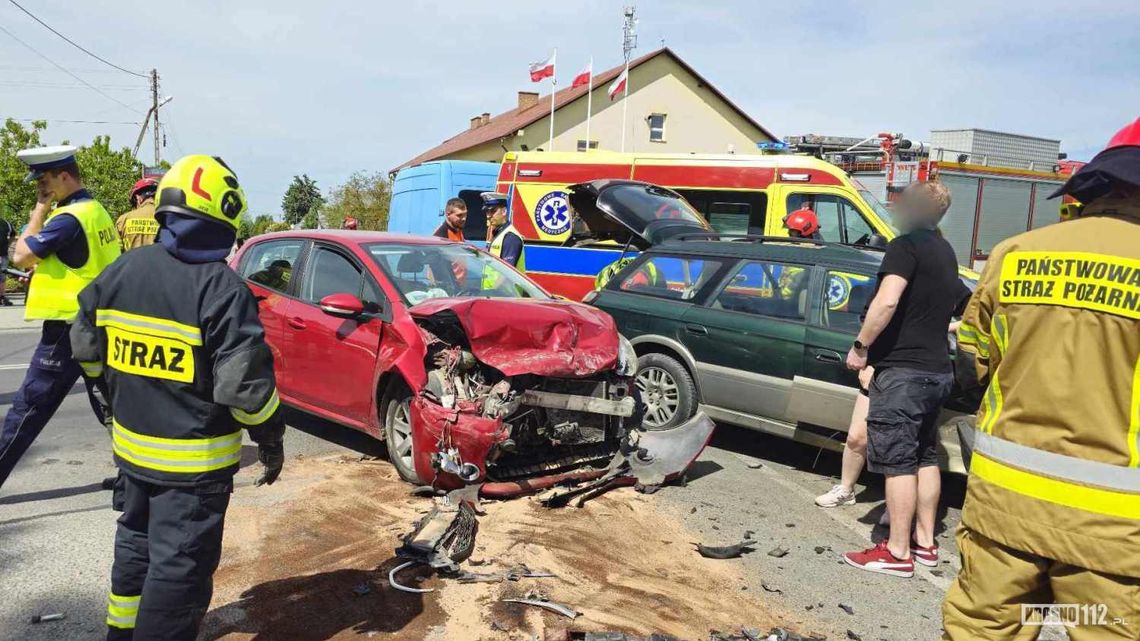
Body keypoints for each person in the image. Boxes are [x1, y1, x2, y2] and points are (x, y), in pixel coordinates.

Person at [70, 154, 285, 641]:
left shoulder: (124, 270)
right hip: (193, 472)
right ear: (226, 214)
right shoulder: (222, 289)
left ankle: (120, 634)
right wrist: (271, 439)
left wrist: (108, 399)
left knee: (135, 547)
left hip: (131, 453)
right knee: (179, 573)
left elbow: (84, 347)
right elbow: (245, 392)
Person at [942, 117, 1140, 639]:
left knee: (982, 628)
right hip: (1116, 532)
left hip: (1004, 507)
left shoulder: (1016, 253)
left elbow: (970, 364)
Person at [841, 181, 965, 578]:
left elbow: (888, 299)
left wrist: (861, 347)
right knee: (924, 455)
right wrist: (942, 327)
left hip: (904, 374)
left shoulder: (905, 246)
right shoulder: (945, 250)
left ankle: (896, 552)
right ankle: (925, 544)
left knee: (897, 462)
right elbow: (967, 303)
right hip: (937, 372)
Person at [0, 145, 120, 489]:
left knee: (27, 409)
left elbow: (21, 254)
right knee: (110, 407)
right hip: (98, 325)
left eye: (44, 181)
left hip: (67, 331)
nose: (41, 189)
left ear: (64, 176)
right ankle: (133, 481)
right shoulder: (96, 211)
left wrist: (40, 208)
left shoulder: (67, 219)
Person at [484, 192, 525, 270]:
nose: (488, 216)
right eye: (487, 211)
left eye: (492, 211)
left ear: (504, 211)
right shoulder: (499, 233)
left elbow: (507, 273)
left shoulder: (510, 237)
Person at [116, 178, 160, 252]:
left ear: (138, 198)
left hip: (131, 263)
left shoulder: (123, 220)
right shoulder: (167, 218)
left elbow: (116, 251)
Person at [0, 214, 15, 306]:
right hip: (3, 254)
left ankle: (1, 297)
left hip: (3, 254)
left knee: (2, 276)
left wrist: (7, 245)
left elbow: (13, 235)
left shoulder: (5, 223)